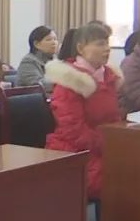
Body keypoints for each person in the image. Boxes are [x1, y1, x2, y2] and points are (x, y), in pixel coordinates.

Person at [44, 24, 123, 200]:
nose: (107, 49)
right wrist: (110, 144)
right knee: (124, 178)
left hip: (104, 147)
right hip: (75, 152)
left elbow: (114, 119)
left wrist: (118, 141)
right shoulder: (69, 80)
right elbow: (73, 130)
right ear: (80, 48)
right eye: (100, 44)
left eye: (107, 43)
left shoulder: (109, 77)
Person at [17, 26, 59, 93]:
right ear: (36, 44)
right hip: (34, 98)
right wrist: (63, 82)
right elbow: (38, 84)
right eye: (49, 40)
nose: (54, 42)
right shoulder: (28, 61)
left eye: (55, 39)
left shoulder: (55, 59)